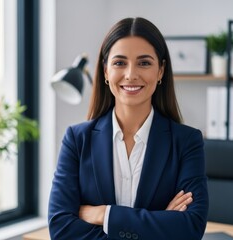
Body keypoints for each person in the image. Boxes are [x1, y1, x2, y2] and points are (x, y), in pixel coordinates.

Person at [48, 17, 208, 240]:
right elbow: (61, 229)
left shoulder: (187, 142)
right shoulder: (77, 140)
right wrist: (160, 223)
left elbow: (191, 228)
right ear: (105, 71)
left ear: (160, 71)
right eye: (119, 63)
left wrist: (104, 214)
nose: (131, 74)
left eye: (144, 63)